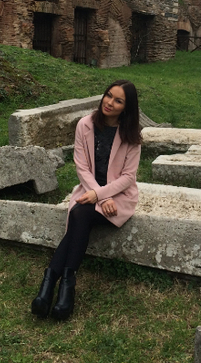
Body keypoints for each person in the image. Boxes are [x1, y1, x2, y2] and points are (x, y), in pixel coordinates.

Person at [31, 80, 142, 320]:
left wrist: (101, 196)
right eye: (108, 95)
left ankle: (49, 288)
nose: (109, 103)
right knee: (80, 213)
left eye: (118, 101)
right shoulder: (85, 125)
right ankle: (62, 288)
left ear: (127, 107)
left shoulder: (131, 136)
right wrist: (99, 195)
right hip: (89, 189)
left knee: (79, 214)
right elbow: (81, 168)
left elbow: (128, 177)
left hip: (119, 197)